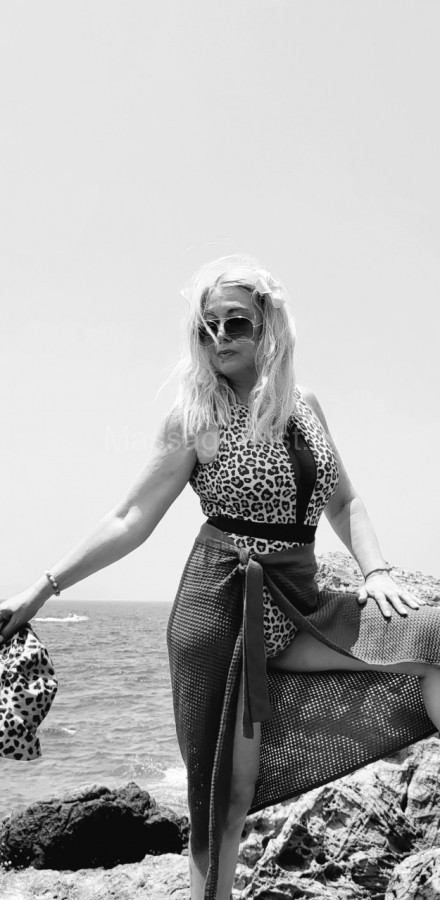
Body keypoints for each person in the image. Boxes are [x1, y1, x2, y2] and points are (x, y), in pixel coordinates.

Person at [1, 254, 439, 900]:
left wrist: (375, 570)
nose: (220, 337)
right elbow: (129, 517)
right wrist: (43, 587)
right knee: (224, 799)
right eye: (207, 327)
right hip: (222, 613)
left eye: (235, 322)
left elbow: (345, 501)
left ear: (268, 325)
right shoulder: (196, 418)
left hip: (302, 605)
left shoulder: (305, 406)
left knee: (431, 639)